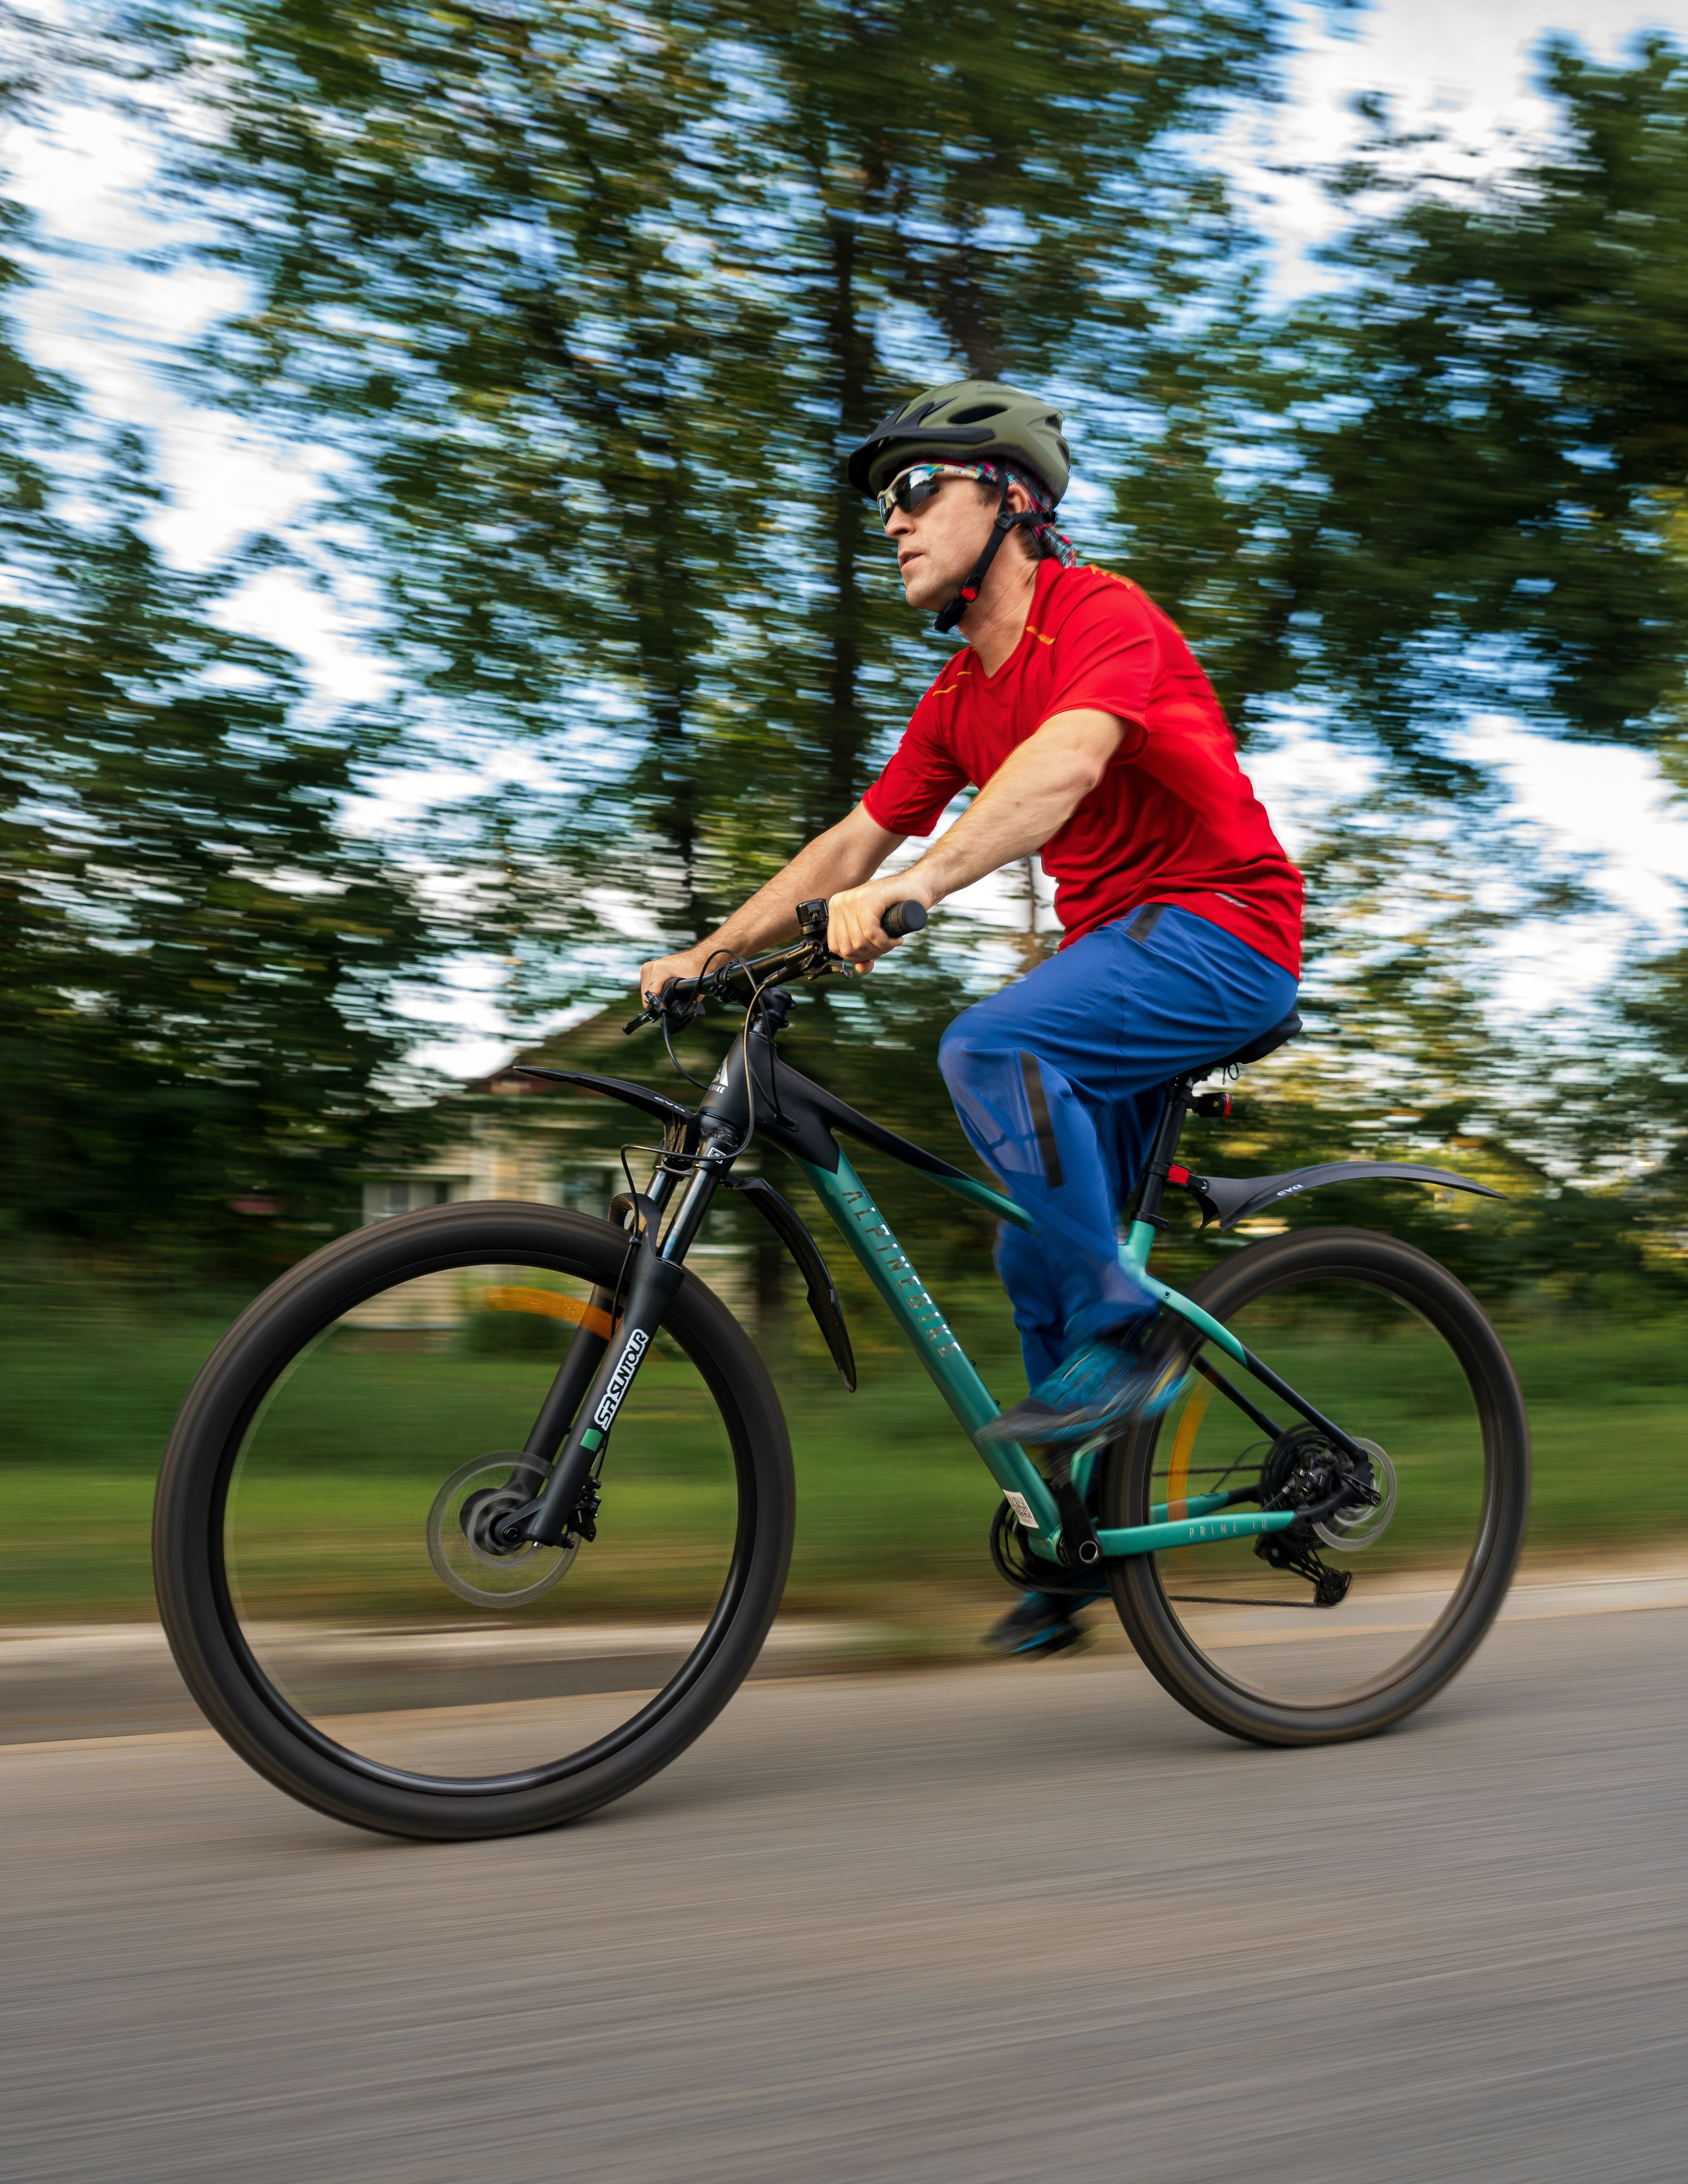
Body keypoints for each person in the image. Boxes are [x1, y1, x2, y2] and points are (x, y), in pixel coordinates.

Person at [640, 379, 1303, 1656]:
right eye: (883, 503)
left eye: (911, 490)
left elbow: (1062, 765)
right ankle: (1078, 1546)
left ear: (1010, 498)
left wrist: (918, 889)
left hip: (1222, 932)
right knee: (1026, 1248)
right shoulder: (956, 697)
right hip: (1123, 954)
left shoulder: (1097, 616)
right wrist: (710, 950)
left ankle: (1128, 1330)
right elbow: (854, 836)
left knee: (992, 1044)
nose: (887, 522)